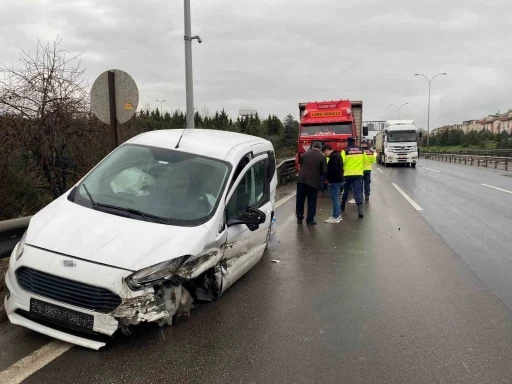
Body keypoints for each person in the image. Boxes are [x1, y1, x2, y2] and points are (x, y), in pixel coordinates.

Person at [296, 141, 327, 225]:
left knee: (300, 200)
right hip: (313, 182)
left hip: (301, 180)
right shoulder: (322, 156)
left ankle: (299, 217)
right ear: (320, 148)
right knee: (311, 201)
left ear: (312, 146)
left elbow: (302, 166)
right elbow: (324, 171)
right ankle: (310, 220)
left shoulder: (304, 155)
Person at [341, 137, 368, 218]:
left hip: (347, 175)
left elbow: (342, 162)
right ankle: (360, 209)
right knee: (358, 192)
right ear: (355, 142)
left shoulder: (345, 151)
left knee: (345, 191)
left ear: (347, 142)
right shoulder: (361, 150)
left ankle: (342, 206)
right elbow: (366, 161)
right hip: (359, 174)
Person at [322, 144, 344, 223]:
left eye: (324, 153)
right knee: (336, 199)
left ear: (327, 150)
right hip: (339, 180)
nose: (325, 155)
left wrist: (330, 180)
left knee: (335, 199)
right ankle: (338, 215)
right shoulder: (338, 155)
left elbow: (333, 171)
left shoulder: (333, 157)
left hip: (335, 181)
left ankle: (336, 216)